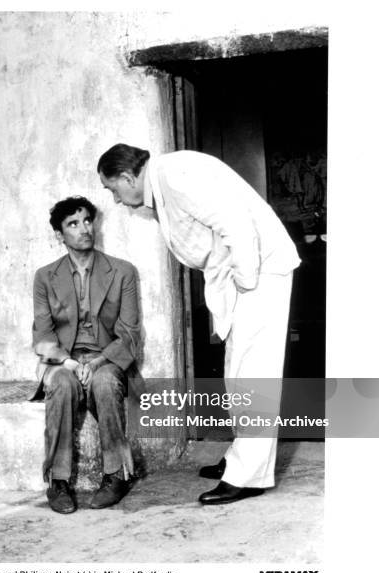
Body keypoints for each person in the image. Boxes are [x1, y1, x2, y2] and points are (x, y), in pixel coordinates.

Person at [97, 144, 301, 505]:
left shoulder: (176, 175)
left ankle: (249, 476)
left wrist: (244, 282)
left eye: (113, 189)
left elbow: (235, 223)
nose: (115, 199)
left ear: (128, 177)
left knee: (254, 375)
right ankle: (243, 460)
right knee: (238, 373)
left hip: (258, 271)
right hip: (246, 274)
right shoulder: (165, 180)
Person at [30, 196, 140, 514]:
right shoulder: (45, 277)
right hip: (64, 360)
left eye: (87, 221)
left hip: (105, 358)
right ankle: (58, 482)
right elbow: (43, 334)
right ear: (59, 235)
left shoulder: (122, 272)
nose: (84, 229)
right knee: (61, 384)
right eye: (73, 224)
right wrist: (68, 361)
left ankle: (115, 476)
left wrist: (99, 361)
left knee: (105, 384)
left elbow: (130, 333)